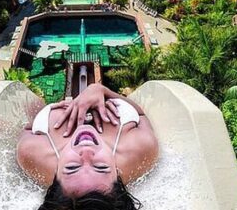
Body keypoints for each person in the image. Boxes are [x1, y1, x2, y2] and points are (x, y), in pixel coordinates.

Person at [17, 83, 158, 210]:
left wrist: (55, 109)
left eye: (72, 168)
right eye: (101, 167)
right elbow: (141, 114)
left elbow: (28, 128)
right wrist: (101, 90)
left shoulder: (33, 154)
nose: (86, 152)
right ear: (118, 176)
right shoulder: (140, 150)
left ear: (55, 175)